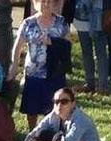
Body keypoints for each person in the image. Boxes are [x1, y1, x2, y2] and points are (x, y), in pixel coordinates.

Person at [9, 0, 70, 129]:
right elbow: (18, 46)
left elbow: (68, 46)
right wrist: (14, 66)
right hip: (33, 74)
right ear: (34, 4)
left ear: (55, 4)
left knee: (55, 108)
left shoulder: (61, 22)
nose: (45, 4)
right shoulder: (28, 23)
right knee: (32, 108)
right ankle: (33, 133)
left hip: (54, 73)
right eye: (42, 1)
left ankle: (54, 134)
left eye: (49, 2)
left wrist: (53, 42)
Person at [75, 0, 109, 93]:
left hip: (98, 16)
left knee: (100, 53)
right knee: (86, 52)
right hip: (80, 15)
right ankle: (89, 83)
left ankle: (103, 86)